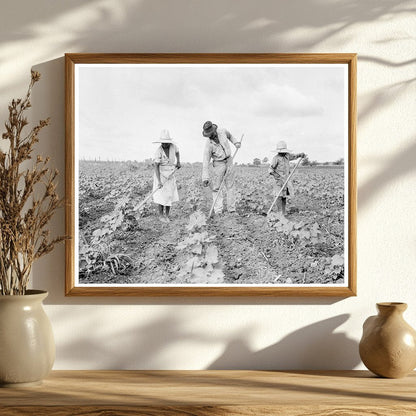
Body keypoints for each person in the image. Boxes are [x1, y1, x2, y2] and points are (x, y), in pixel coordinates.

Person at [201, 121, 241, 215]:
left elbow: (230, 136)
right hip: (218, 164)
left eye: (211, 134)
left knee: (230, 186)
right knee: (216, 188)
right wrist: (205, 177)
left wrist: (236, 143)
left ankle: (231, 210)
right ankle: (218, 210)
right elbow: (205, 161)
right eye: (208, 135)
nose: (210, 136)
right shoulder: (208, 144)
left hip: (229, 160)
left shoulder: (223, 131)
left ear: (214, 130)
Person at [269, 140, 305, 216]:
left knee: (284, 196)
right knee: (278, 196)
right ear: (278, 151)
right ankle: (279, 213)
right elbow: (270, 169)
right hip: (278, 180)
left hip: (286, 180)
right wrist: (277, 176)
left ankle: (283, 212)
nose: (283, 152)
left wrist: (300, 155)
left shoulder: (287, 156)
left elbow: (294, 156)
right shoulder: (276, 158)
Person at [152, 130, 181, 222]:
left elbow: (177, 153)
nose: (165, 145)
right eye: (163, 143)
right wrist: (159, 181)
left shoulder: (173, 147)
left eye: (166, 143)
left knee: (169, 195)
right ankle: (161, 215)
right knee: (161, 196)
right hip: (161, 174)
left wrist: (178, 161)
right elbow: (156, 166)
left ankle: (167, 215)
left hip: (171, 173)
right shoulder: (158, 151)